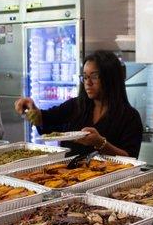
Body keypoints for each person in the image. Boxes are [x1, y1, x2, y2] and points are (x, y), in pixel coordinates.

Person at [14, 50, 143, 158]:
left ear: (110, 78)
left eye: (94, 76)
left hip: (106, 181)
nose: (88, 83)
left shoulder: (129, 117)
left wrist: (101, 143)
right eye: (85, 77)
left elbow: (130, 158)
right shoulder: (76, 105)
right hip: (69, 177)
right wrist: (32, 108)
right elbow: (46, 119)